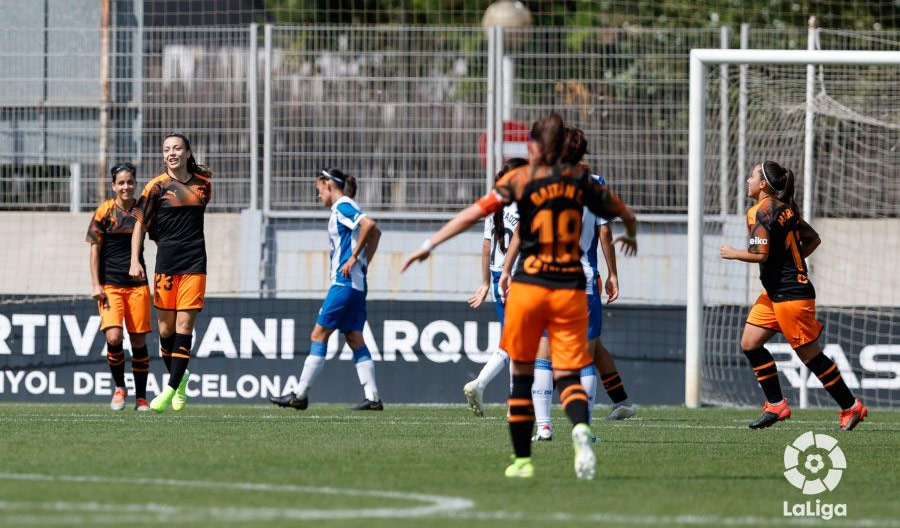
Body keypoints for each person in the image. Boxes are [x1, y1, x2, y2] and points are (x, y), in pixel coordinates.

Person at [402, 114, 638, 480]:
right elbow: (623, 215)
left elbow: (476, 215)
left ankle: (524, 460)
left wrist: (429, 244)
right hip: (573, 288)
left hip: (531, 285)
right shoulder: (586, 183)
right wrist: (632, 235)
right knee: (570, 372)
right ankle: (580, 430)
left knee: (524, 372)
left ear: (537, 147)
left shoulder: (521, 179)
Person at [506, 128, 637, 442]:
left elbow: (523, 230)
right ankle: (584, 431)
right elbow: (605, 234)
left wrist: (506, 269)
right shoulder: (596, 186)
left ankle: (544, 427)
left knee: (542, 354)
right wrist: (613, 274)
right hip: (584, 281)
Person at [720, 161, 867, 431]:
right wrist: (790, 263)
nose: (747, 180)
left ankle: (850, 406)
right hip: (776, 292)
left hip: (791, 295)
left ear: (763, 184)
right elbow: (812, 239)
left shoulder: (760, 211)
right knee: (750, 344)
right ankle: (776, 405)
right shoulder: (786, 209)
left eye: (752, 176)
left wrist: (732, 253)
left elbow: (760, 254)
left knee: (810, 356)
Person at [270, 168, 383, 411]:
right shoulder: (344, 207)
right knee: (354, 338)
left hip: (343, 284)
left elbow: (369, 224)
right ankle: (373, 397)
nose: (318, 195)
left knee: (318, 334)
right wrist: (363, 264)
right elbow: (376, 233)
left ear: (329, 185)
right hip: (357, 285)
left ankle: (299, 394)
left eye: (318, 189)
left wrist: (353, 258)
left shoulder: (343, 205)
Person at [130, 133, 212, 413]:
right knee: (165, 330)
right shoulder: (155, 187)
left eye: (177, 148)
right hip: (165, 264)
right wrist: (135, 260)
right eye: (166, 149)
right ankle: (181, 379)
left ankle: (168, 391)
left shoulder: (204, 184)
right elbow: (140, 225)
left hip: (194, 264)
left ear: (188, 152)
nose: (171, 153)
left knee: (184, 328)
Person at [463, 158, 528, 417]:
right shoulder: (527, 206)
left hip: (497, 277)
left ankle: (513, 399)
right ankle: (482, 383)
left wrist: (485, 283)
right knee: (515, 343)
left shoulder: (495, 205)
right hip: (517, 278)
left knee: (514, 340)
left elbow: (486, 247)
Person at [87, 162, 152, 411]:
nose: (126, 186)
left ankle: (142, 398)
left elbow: (158, 233)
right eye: (121, 182)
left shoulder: (142, 210)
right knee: (114, 337)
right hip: (110, 286)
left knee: (138, 343)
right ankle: (119, 388)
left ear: (135, 183)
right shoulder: (104, 212)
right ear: (114, 186)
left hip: (138, 286)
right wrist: (95, 284)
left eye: (130, 182)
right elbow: (94, 250)